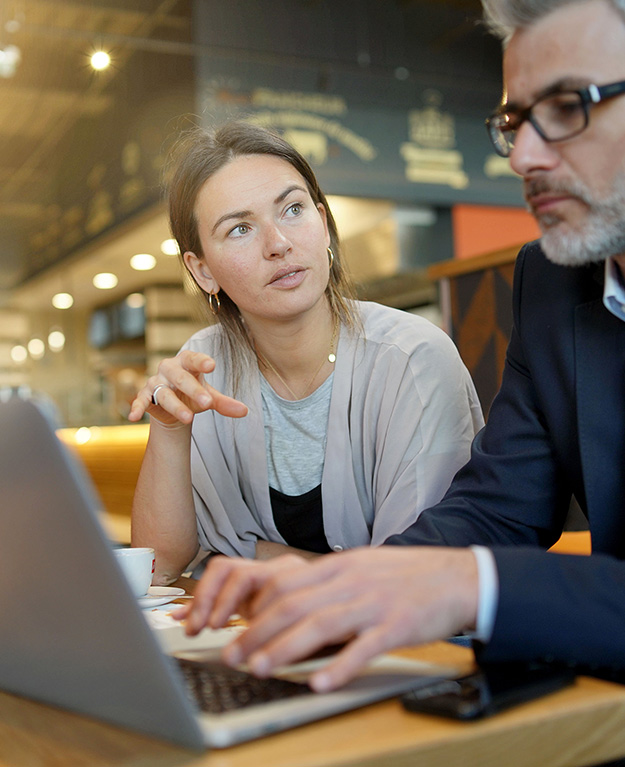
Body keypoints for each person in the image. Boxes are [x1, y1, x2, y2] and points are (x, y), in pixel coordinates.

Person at [176, 0, 625, 695]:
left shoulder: (407, 352)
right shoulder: (550, 280)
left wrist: (468, 584)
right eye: (514, 121)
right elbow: (500, 506)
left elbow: (479, 562)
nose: (524, 156)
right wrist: (346, 585)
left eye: (567, 107)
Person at [129, 122, 483, 583]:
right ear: (202, 271)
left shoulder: (410, 359)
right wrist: (170, 429)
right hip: (259, 643)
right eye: (239, 229)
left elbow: (411, 579)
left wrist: (252, 556)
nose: (278, 244)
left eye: (293, 209)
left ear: (324, 223)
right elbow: (160, 569)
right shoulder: (203, 368)